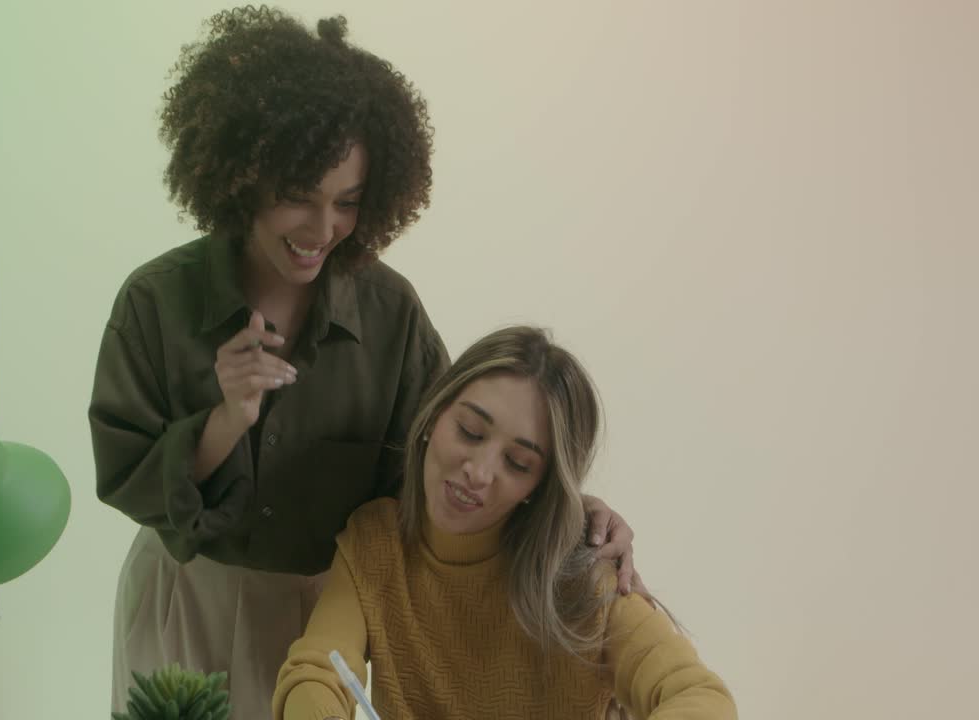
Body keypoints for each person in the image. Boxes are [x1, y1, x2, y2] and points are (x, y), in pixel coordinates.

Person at [89, 8, 639, 719]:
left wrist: (574, 513)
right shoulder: (155, 302)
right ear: (243, 174)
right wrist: (224, 421)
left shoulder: (390, 315)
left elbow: (449, 459)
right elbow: (126, 474)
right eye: (298, 198)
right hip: (184, 600)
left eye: (346, 203)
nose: (323, 231)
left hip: (330, 615)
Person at [273, 326, 736, 719]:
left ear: (539, 484)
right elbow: (315, 673)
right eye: (470, 432)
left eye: (517, 463)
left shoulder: (584, 576)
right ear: (435, 413)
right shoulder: (374, 544)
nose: (479, 472)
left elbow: (699, 696)